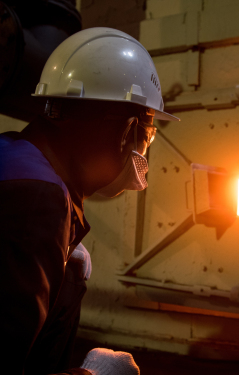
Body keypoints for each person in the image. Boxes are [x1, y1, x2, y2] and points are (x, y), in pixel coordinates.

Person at [0, 27, 179, 375]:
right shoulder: (39, 199)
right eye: (149, 135)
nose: (143, 152)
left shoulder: (15, 156)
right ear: (128, 131)